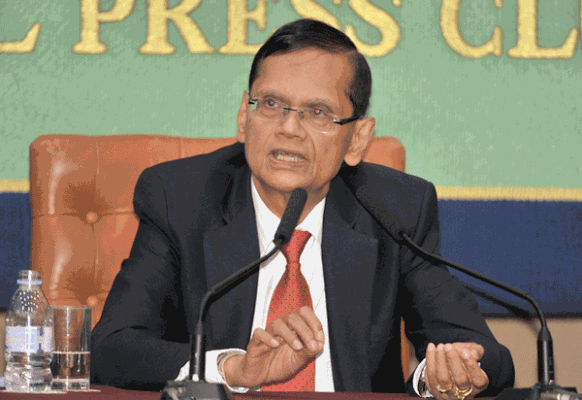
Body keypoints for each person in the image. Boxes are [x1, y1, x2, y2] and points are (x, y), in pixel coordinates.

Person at [91, 18, 514, 398]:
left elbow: (484, 355)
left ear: (358, 140)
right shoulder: (179, 197)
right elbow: (111, 349)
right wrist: (230, 368)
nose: (289, 128)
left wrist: (442, 375)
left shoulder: (395, 210)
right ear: (244, 116)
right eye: (271, 104)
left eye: (318, 112)